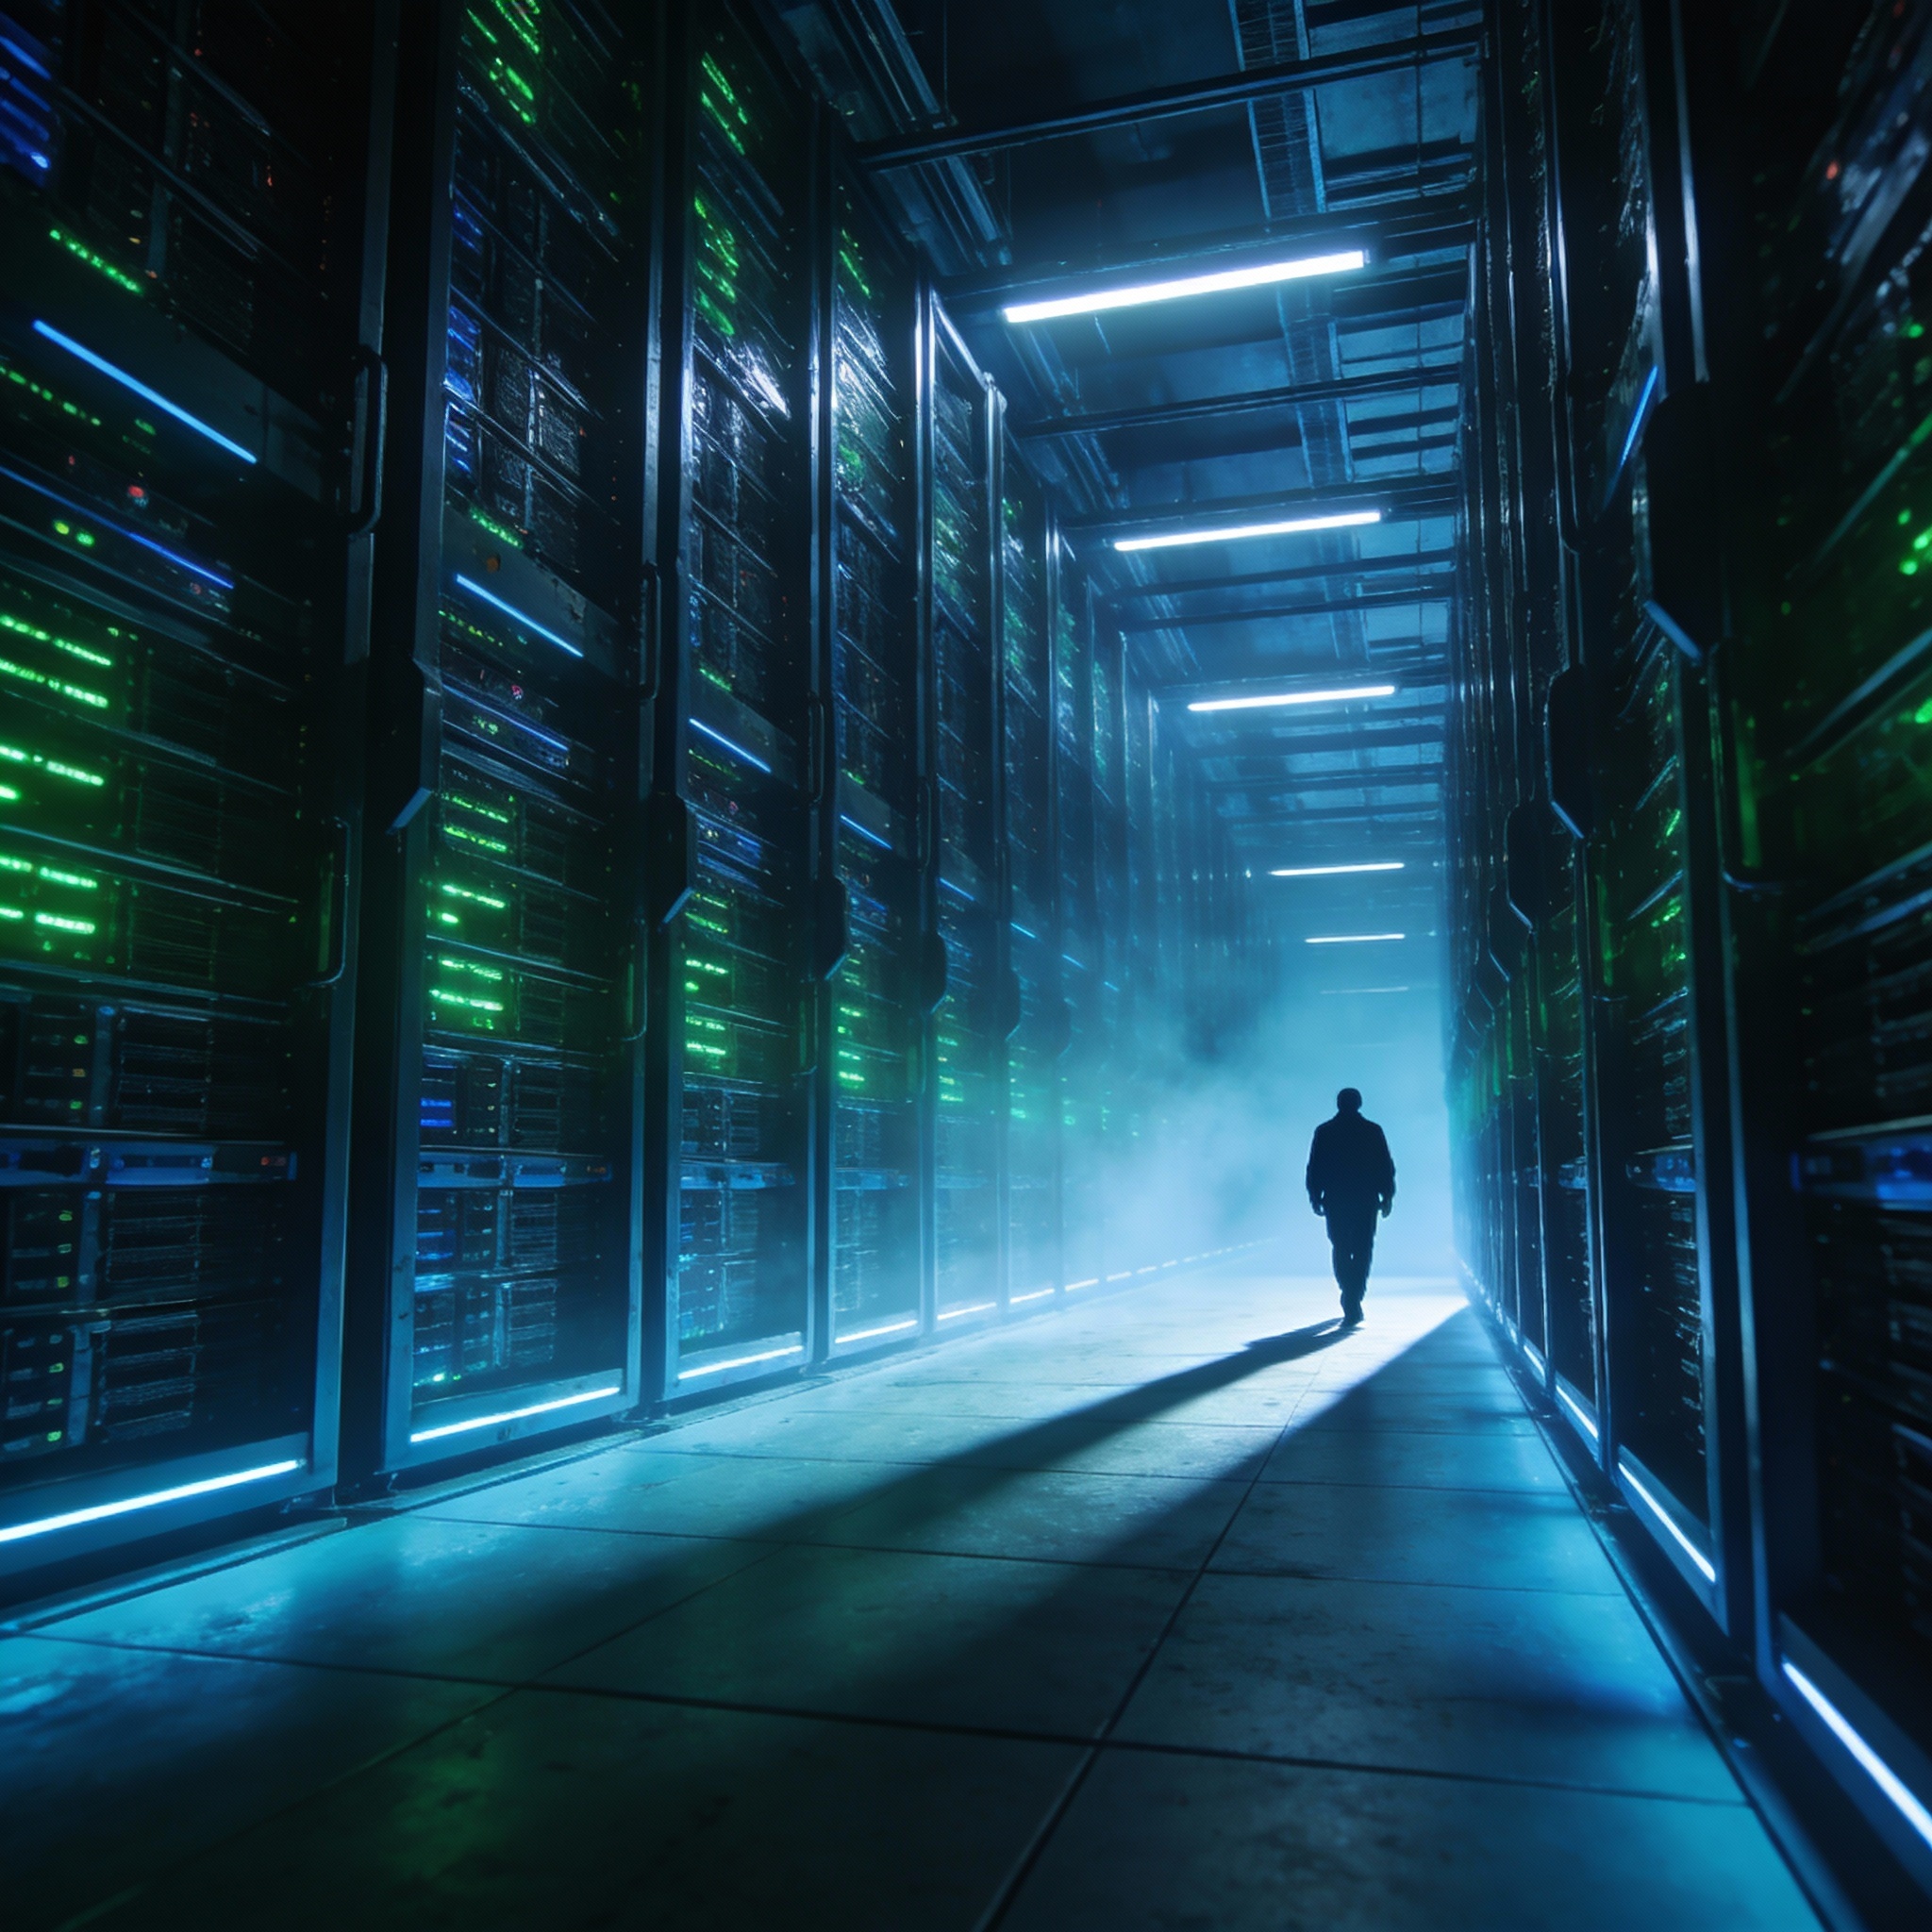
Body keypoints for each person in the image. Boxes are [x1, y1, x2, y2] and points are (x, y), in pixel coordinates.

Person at [1306, 1087, 1395, 1325]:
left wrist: (1315, 1196)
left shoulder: (1324, 1132)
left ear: (1338, 1104)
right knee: (1364, 1248)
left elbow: (1314, 1167)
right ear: (1359, 1104)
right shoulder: (1372, 1131)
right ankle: (1354, 1295)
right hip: (1365, 1200)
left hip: (1336, 1199)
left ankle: (1349, 1292)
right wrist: (1387, 1196)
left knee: (1341, 1246)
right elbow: (1385, 1166)